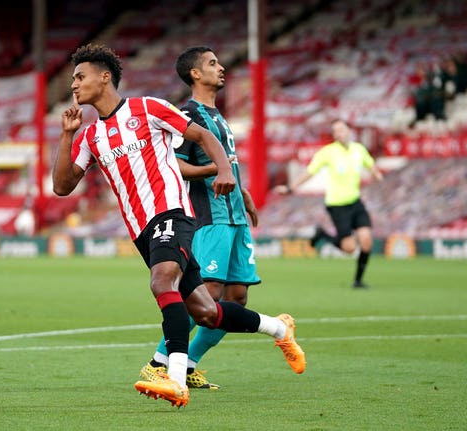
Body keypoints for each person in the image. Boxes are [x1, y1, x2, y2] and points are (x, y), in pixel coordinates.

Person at [53, 44, 305, 408]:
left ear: (104, 77)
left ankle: (173, 380)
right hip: (142, 230)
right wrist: (67, 135)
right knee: (206, 310)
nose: (74, 86)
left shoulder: (148, 108)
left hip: (173, 213)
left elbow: (201, 136)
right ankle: (280, 328)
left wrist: (222, 170)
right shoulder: (91, 136)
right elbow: (62, 186)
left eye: (80, 77)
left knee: (161, 282)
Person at [139, 46, 261, 390]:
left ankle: (189, 363)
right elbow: (174, 163)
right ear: (195, 73)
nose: (221, 67)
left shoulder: (218, 116)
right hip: (208, 216)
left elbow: (230, 165)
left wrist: (244, 192)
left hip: (234, 215)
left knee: (236, 297)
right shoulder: (187, 115)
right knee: (206, 291)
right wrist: (213, 169)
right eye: (212, 63)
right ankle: (159, 363)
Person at [275, 119, 383, 288]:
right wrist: (290, 188)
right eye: (335, 131)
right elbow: (309, 172)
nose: (338, 133)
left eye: (341, 129)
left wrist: (376, 173)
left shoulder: (359, 150)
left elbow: (371, 164)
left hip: (355, 202)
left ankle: (358, 281)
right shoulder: (328, 152)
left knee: (367, 241)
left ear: (349, 131)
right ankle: (322, 234)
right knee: (349, 249)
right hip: (337, 204)